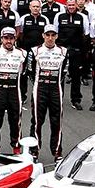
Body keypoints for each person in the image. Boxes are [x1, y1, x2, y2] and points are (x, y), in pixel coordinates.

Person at [27, 25, 66, 161]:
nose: (50, 38)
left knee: (56, 122)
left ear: (56, 36)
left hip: (55, 89)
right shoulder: (35, 51)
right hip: (40, 89)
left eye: (53, 35)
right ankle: (34, 151)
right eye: (47, 35)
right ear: (43, 35)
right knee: (37, 121)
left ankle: (57, 152)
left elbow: (64, 72)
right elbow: (30, 71)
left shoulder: (63, 51)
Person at [0, 27, 29, 155]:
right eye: (6, 38)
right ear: (1, 39)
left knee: (15, 120)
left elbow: (24, 73)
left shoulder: (22, 53)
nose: (8, 41)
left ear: (15, 39)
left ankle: (16, 147)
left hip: (14, 90)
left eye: (11, 38)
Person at [54, 0, 88, 110]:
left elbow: (86, 34)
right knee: (60, 75)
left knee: (76, 76)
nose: (71, 7)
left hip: (76, 51)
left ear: (76, 5)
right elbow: (55, 33)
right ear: (66, 5)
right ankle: (58, 99)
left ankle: (76, 100)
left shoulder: (82, 17)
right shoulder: (59, 16)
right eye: (69, 5)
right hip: (61, 50)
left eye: (73, 5)